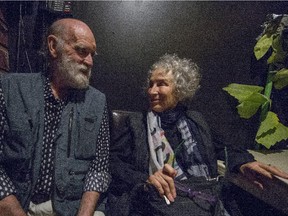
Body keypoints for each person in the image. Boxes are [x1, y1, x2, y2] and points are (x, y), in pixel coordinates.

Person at [107, 54, 288, 216]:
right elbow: (113, 162)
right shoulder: (137, 123)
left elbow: (222, 147)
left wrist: (243, 162)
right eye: (151, 84)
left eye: (161, 84)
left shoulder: (195, 120)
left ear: (179, 89)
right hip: (158, 203)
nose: (152, 91)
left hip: (203, 200)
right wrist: (147, 179)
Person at [0, 18, 110, 216]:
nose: (90, 62)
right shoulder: (9, 89)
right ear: (53, 46)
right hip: (17, 203)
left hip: (74, 207)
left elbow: (99, 167)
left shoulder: (97, 101)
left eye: (92, 54)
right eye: (82, 50)